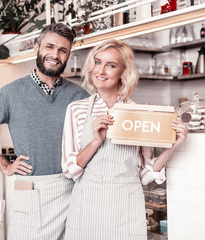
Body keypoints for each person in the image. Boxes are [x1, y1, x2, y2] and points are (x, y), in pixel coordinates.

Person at [0, 23, 90, 240]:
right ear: (37, 47)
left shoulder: (80, 96)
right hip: (31, 191)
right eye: (49, 46)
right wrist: (4, 164)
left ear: (68, 55)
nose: (55, 54)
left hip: (73, 190)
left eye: (63, 50)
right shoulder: (11, 94)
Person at [61, 39, 187, 240]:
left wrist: (170, 147)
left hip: (125, 208)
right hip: (87, 207)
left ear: (124, 72)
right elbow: (69, 170)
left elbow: (146, 175)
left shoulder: (139, 112)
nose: (101, 71)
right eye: (97, 62)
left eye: (111, 65)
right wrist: (95, 142)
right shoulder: (77, 110)